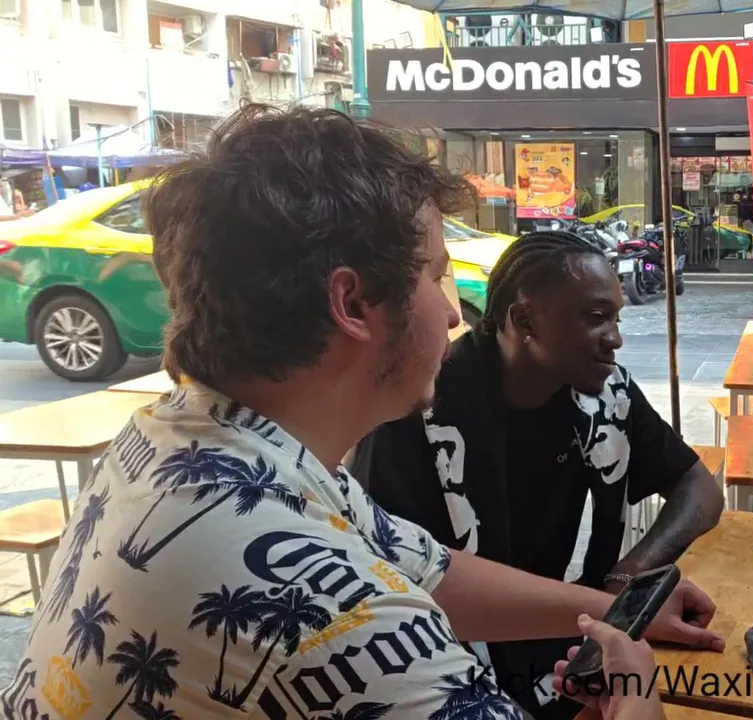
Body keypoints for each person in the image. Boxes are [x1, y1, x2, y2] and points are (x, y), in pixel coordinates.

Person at [2, 103, 705, 719]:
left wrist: (615, 611)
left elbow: (429, 569)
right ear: (353, 304)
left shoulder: (179, 441)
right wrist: (634, 689)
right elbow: (366, 609)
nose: (453, 313)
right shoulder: (338, 623)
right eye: (434, 275)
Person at [351, 229, 725, 719]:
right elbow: (398, 582)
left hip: (571, 641)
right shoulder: (420, 413)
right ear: (524, 319)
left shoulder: (605, 395)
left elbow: (700, 489)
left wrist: (627, 580)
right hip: (447, 665)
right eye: (595, 318)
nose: (615, 339)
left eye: (616, 318)